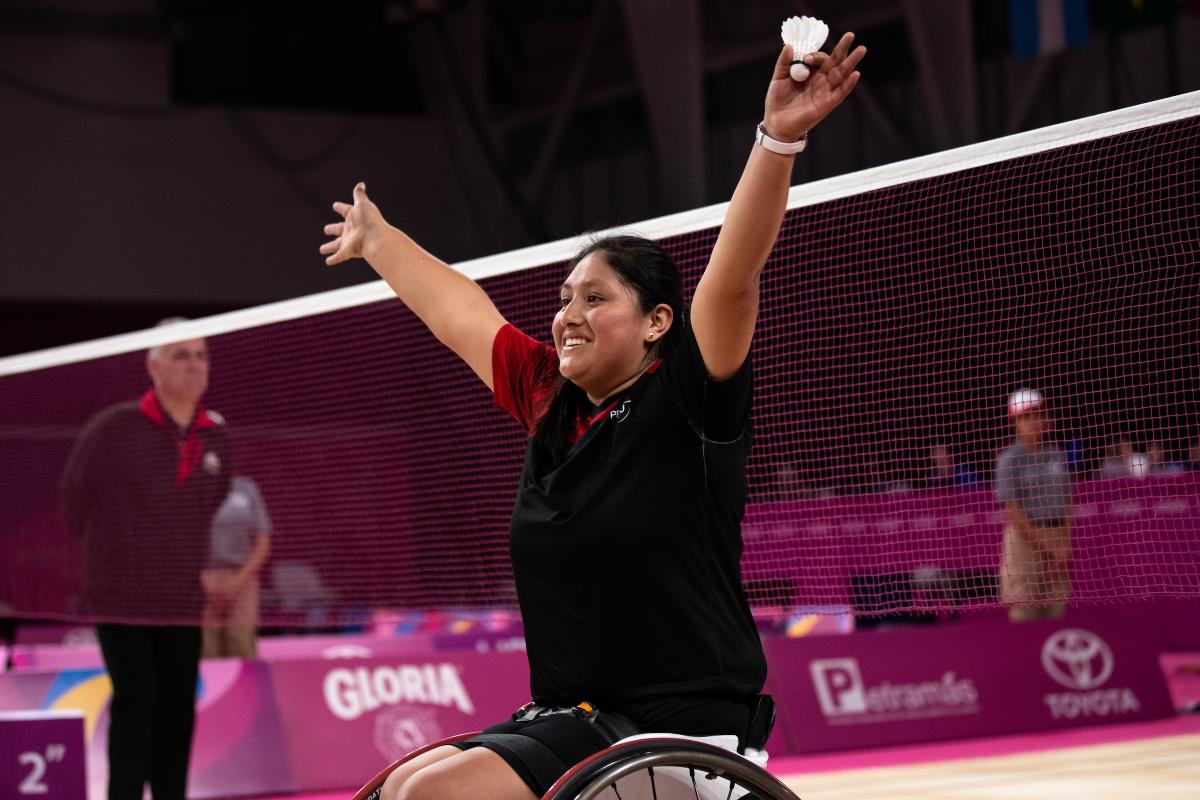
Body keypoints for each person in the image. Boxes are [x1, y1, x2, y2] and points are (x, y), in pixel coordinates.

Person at [321, 33, 865, 800]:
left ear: (656, 324)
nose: (568, 314)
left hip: (677, 725)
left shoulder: (687, 398)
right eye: (565, 298)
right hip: (574, 717)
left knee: (431, 796)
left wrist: (778, 137)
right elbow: (461, 313)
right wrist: (380, 241)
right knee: (406, 782)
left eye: (596, 297)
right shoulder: (553, 401)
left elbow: (733, 277)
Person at [60, 320, 231, 800]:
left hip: (179, 596)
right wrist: (118, 557)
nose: (194, 366)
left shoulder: (217, 436)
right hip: (121, 598)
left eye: (201, 355)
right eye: (180, 355)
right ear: (152, 366)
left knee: (178, 705)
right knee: (137, 701)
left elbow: (207, 505)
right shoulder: (112, 429)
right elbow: (74, 500)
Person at [995, 388, 1072, 622]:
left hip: (1058, 536)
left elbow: (1068, 503)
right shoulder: (1009, 460)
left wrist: (1064, 546)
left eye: (1039, 415)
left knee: (1057, 608)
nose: (1035, 422)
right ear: (1015, 422)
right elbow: (1015, 515)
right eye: (1027, 417)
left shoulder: (1056, 454)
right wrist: (1051, 550)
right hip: (1025, 541)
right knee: (1023, 609)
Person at [202, 475, 271, 659]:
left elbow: (263, 543)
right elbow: (180, 539)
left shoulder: (247, 489)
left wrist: (237, 582)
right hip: (201, 582)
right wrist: (203, 580)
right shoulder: (191, 486)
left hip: (243, 578)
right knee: (205, 649)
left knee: (241, 644)